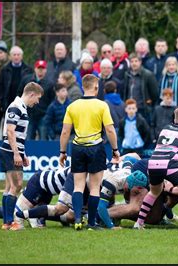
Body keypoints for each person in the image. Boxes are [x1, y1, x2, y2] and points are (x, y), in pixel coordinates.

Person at [59, 74, 120, 231]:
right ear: (96, 87)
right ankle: (91, 223)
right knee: (94, 188)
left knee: (78, 186)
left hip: (78, 147)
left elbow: (65, 132)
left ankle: (78, 218)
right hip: (95, 147)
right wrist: (115, 150)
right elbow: (110, 129)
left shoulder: (72, 106)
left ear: (82, 87)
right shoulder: (101, 105)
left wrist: (62, 151)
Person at [0, 82, 43, 230]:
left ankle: (6, 222)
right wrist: (17, 154)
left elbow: (17, 135)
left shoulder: (21, 107)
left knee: (9, 187)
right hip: (10, 152)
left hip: (12, 151)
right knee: (16, 185)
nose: (37, 102)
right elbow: (10, 131)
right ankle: (11, 222)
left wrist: (23, 155)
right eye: (37, 98)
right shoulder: (16, 107)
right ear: (31, 94)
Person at [18, 60, 55, 140]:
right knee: (28, 139)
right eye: (39, 68)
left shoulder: (50, 83)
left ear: (46, 70)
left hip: (43, 116)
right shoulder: (26, 80)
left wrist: (47, 114)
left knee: (43, 139)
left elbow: (52, 100)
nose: (40, 71)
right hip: (28, 114)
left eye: (42, 69)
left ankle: (43, 153)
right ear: (35, 69)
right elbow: (20, 94)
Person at [0, 46, 33, 126]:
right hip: (8, 103)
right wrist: (2, 100)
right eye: (14, 55)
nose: (16, 57)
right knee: (9, 127)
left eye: (18, 55)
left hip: (24, 103)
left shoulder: (28, 69)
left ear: (22, 56)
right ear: (10, 56)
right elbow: (0, 86)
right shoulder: (4, 69)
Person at [123, 53, 159, 125]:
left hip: (143, 109)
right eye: (132, 61)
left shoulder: (148, 75)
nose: (134, 63)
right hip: (130, 109)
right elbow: (125, 91)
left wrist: (149, 103)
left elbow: (155, 94)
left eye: (136, 61)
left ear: (140, 62)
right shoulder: (127, 74)